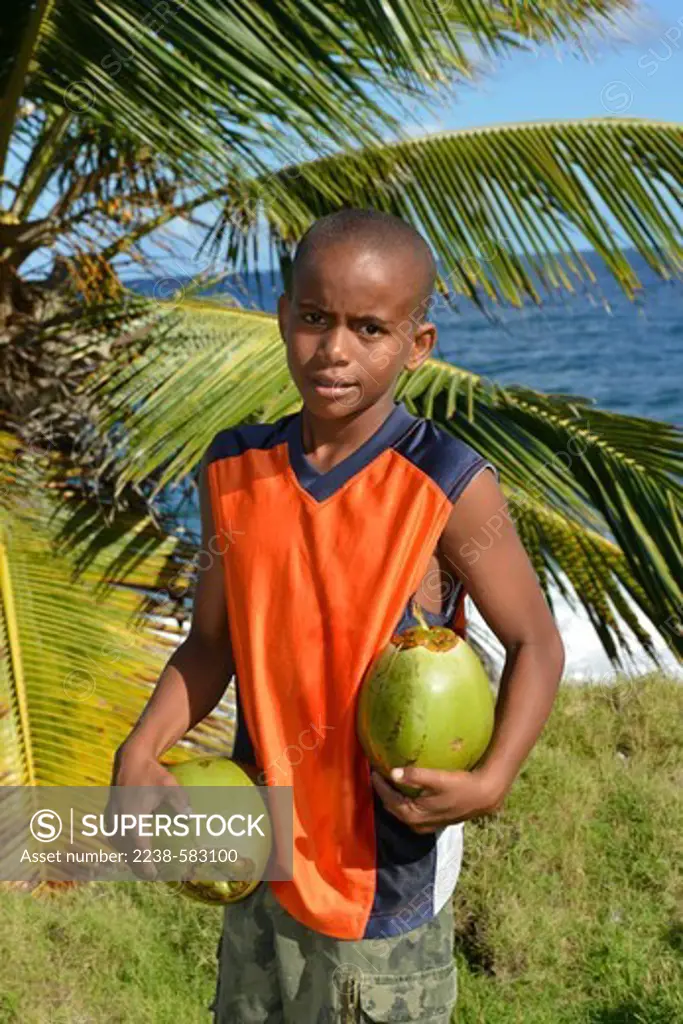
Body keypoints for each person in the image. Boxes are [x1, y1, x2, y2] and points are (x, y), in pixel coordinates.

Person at [110, 207, 565, 1022]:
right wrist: (141, 746)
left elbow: (536, 641)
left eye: (369, 328)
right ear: (284, 316)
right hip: (259, 841)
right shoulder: (235, 466)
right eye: (315, 318)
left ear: (415, 346)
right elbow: (212, 642)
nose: (335, 350)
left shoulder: (447, 481)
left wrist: (491, 779)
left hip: (383, 867)